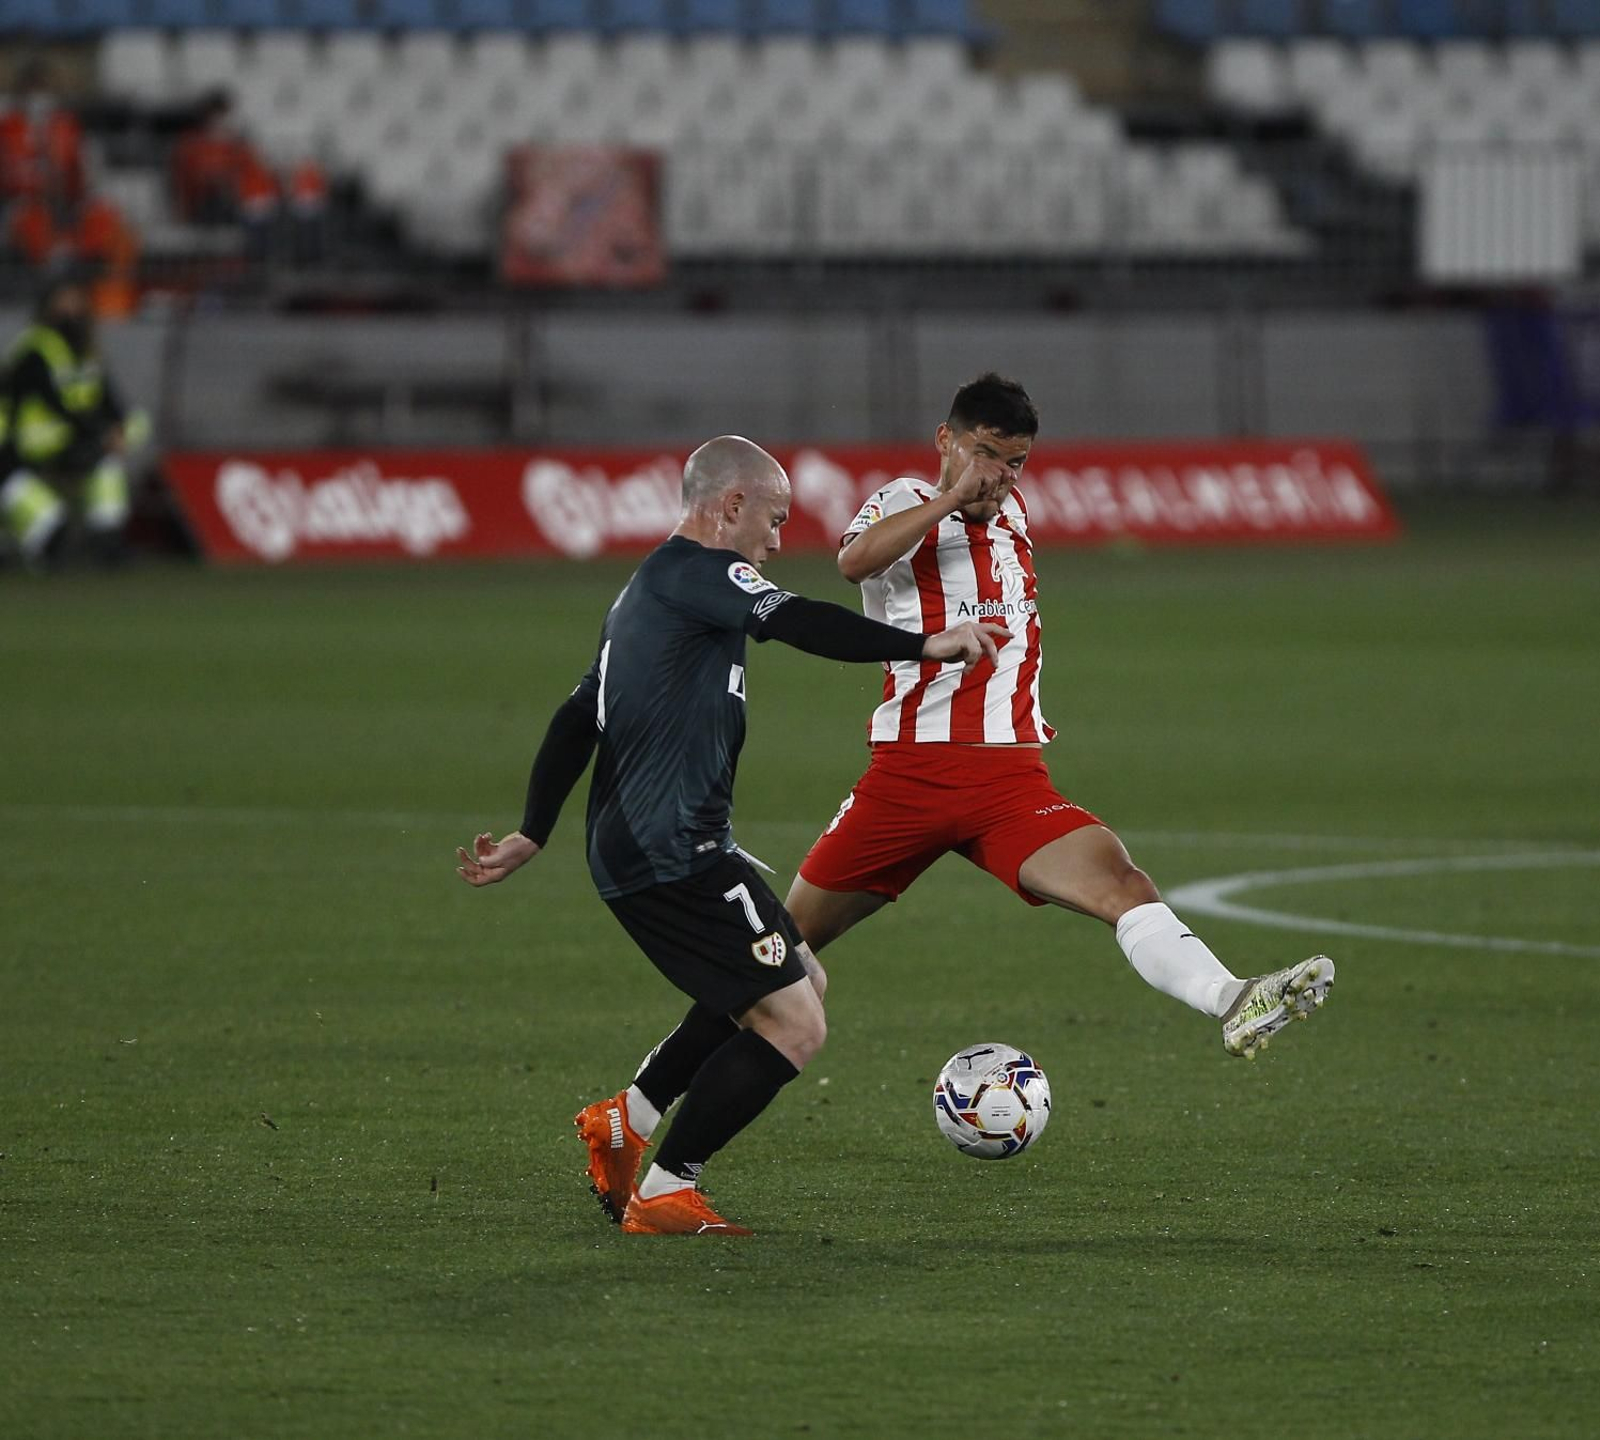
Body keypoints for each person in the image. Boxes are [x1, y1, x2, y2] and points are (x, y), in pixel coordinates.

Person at [580, 378, 1337, 1212]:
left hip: (1010, 778)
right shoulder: (904, 501)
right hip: (906, 780)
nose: (999, 476)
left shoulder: (1012, 517)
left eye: (1013, 463)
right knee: (778, 957)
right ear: (946, 441)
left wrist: (982, 499)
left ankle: (1232, 999)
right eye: (985, 455)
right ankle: (634, 1111)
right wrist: (947, 500)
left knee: (1122, 885)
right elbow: (851, 562)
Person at [456, 435, 1004, 1236]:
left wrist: (534, 832)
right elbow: (802, 620)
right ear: (731, 505)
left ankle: (630, 1117)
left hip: (668, 843)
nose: (778, 542)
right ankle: (669, 1189)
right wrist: (924, 646)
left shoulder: (648, 589)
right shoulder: (705, 574)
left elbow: (580, 715)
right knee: (796, 1023)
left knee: (802, 979)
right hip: (668, 850)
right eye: (774, 520)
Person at [0, 274, 144, 568]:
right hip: (22, 450)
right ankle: (37, 544)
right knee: (51, 533)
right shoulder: (36, 350)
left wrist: (116, 428)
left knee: (113, 456)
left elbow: (107, 398)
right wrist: (101, 432)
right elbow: (54, 401)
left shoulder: (88, 353)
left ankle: (107, 538)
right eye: (64, 301)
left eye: (76, 301)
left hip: (69, 443)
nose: (71, 309)